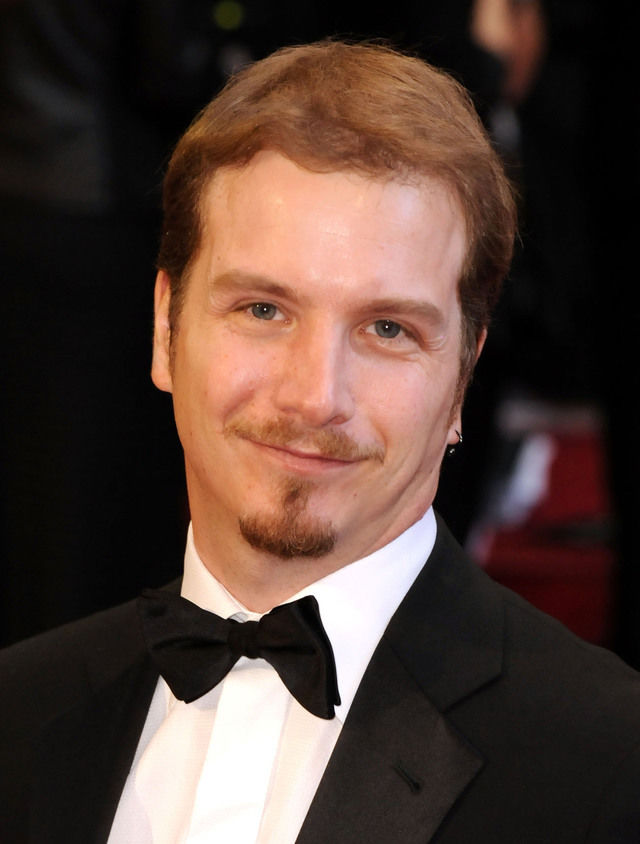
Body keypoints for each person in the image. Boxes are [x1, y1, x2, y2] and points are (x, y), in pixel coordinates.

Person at [2, 39, 640, 844]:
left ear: (461, 380)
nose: (315, 396)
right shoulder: (19, 713)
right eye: (263, 310)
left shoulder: (609, 767)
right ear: (166, 330)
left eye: (387, 329)